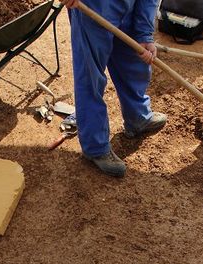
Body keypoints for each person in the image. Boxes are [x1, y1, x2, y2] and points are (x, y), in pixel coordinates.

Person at [63, 0, 167, 177]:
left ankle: (138, 118)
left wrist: (145, 34)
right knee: (90, 78)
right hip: (92, 6)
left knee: (133, 62)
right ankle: (95, 147)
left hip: (130, 4)